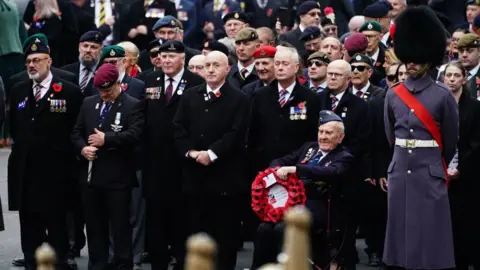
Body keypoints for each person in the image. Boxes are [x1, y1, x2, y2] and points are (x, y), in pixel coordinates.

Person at [383, 6, 459, 269]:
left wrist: (435, 165)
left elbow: (449, 141)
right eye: (408, 59)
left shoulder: (442, 94)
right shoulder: (393, 94)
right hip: (400, 169)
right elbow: (390, 135)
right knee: (400, 232)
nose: (411, 63)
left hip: (429, 171)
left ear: (428, 59)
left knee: (429, 235)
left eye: (417, 59)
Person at [8, 37, 83, 270]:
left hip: (56, 172)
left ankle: (58, 261)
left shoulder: (68, 90)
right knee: (29, 224)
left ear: (48, 61)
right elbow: (15, 128)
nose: (32, 65)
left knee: (57, 223)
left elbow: (76, 129)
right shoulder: (19, 89)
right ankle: (31, 262)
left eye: (37, 60)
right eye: (28, 61)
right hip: (27, 171)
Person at [173, 51, 250, 270]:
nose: (210, 69)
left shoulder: (239, 98)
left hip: (225, 178)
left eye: (216, 65)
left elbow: (236, 133)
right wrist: (191, 152)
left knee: (225, 237)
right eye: (207, 65)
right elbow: (178, 128)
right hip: (195, 176)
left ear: (228, 69)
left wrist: (211, 153)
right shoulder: (189, 95)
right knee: (196, 232)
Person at [251, 110, 354, 269]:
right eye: (321, 132)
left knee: (282, 228)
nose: (323, 137)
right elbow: (280, 160)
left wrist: (296, 169)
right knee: (264, 228)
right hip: (289, 204)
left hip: (318, 207)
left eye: (328, 133)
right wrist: (274, 171)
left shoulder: (343, 156)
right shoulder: (309, 148)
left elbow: (332, 172)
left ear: (340, 137)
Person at [71, 63, 144, 270]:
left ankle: (122, 264)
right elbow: (76, 133)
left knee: (120, 227)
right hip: (91, 178)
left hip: (118, 177)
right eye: (100, 90)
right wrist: (83, 149)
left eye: (108, 90)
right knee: (94, 227)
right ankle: (97, 265)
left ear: (118, 83)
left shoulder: (132, 104)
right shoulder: (88, 103)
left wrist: (108, 139)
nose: (104, 94)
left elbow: (135, 135)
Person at [143, 40, 204, 270]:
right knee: (156, 220)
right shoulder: (149, 80)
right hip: (155, 162)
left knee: (182, 219)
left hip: (183, 164)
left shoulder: (195, 82)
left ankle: (182, 262)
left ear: (182, 59)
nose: (166, 60)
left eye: (171, 56)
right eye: (163, 56)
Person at [442, 61, 480, 270]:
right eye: (449, 75)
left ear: (464, 79)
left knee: (467, 223)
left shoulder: (474, 107)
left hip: (467, 175)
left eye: (457, 75)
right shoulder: (438, 105)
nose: (452, 79)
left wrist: (461, 169)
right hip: (441, 169)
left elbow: (476, 143)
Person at [62, 30, 104, 97]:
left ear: (101, 50)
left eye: (93, 47)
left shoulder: (105, 73)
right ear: (79, 47)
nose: (88, 50)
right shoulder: (65, 71)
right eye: (85, 46)